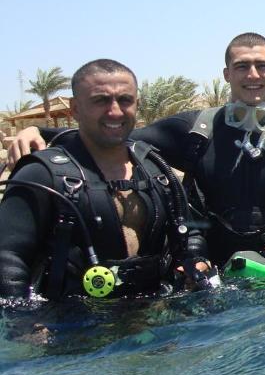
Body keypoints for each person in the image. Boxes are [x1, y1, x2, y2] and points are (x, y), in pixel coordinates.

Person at [7, 33, 265, 265]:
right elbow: (117, 133)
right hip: (214, 279)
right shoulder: (196, 130)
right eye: (242, 66)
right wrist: (40, 131)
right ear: (227, 74)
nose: (253, 75)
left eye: (262, 66)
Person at [0, 59, 211, 299]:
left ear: (137, 104)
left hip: (155, 310)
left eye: (125, 100)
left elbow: (189, 234)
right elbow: (8, 259)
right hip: (69, 316)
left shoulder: (157, 171)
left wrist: (195, 259)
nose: (115, 111)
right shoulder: (41, 174)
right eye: (100, 100)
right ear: (75, 108)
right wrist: (23, 317)